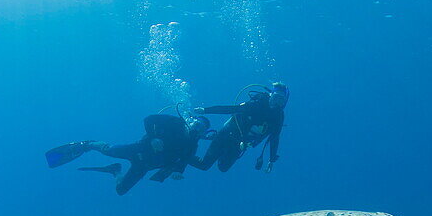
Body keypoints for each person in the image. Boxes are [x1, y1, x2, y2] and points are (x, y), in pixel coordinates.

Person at [45, 114, 210, 195]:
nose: (197, 129)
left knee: (121, 190)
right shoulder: (176, 123)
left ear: (203, 133)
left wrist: (177, 172)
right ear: (191, 120)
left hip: (145, 166)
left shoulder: (192, 145)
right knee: (108, 150)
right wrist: (153, 137)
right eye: (197, 124)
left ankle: (115, 170)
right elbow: (149, 119)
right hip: (137, 150)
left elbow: (184, 161)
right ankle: (88, 144)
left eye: (202, 129)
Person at [190, 82, 288, 173]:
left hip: (240, 144)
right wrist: (205, 110)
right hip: (226, 134)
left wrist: (271, 160)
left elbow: (275, 138)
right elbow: (230, 109)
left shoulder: (278, 117)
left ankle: (212, 142)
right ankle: (185, 152)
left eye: (281, 100)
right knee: (204, 165)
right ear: (271, 94)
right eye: (276, 97)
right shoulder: (256, 105)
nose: (276, 102)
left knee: (223, 168)